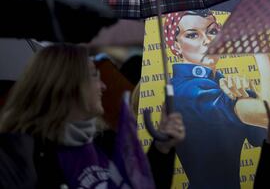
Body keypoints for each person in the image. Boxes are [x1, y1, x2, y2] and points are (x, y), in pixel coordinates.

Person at [0, 44, 185, 189]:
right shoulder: (25, 155)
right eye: (94, 75)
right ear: (67, 84)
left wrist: (162, 147)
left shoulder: (105, 143)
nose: (103, 86)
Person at [163, 10, 270, 189]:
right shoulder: (186, 90)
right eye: (192, 35)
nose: (208, 41)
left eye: (212, 31)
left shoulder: (222, 86)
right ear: (176, 46)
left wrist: (250, 98)